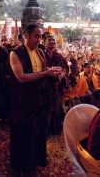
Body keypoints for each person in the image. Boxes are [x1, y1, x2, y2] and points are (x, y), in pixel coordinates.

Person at [9, 24, 62, 174]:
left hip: (39, 101)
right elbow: (21, 77)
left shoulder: (40, 53)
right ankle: (21, 166)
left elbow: (40, 72)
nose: (39, 39)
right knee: (23, 134)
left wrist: (52, 71)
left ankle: (35, 160)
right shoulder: (15, 54)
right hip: (22, 102)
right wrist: (46, 74)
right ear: (26, 35)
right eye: (36, 36)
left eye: (40, 36)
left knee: (37, 133)